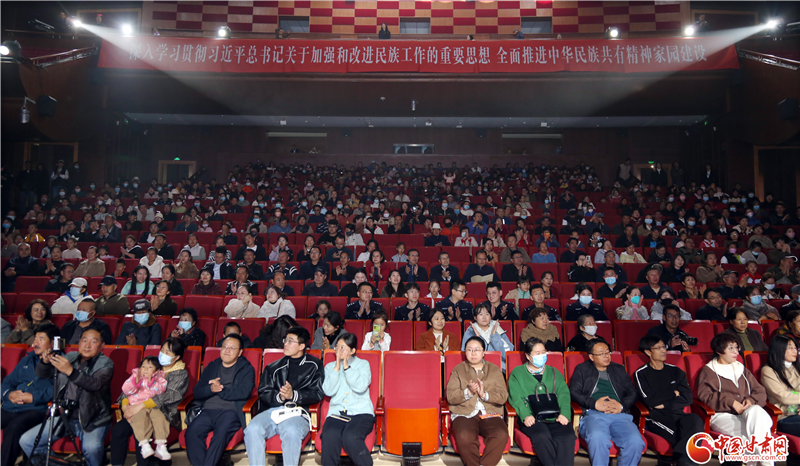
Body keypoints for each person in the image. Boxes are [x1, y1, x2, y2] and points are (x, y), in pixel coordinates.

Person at [20, 328, 114, 466]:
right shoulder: (70, 357)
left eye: (93, 342)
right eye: (84, 340)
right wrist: (45, 362)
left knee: (92, 448)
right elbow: (42, 374)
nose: (87, 345)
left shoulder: (106, 364)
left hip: (94, 419)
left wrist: (70, 371)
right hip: (66, 416)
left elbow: (94, 384)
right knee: (26, 441)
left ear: (102, 346)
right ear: (79, 342)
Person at [244, 326, 323, 466]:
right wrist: (280, 397)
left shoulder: (315, 365)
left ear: (302, 346)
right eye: (285, 340)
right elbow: (263, 391)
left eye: (290, 341)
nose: (285, 344)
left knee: (292, 431)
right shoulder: (273, 367)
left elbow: (317, 393)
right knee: (252, 429)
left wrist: (294, 395)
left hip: (298, 412)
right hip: (274, 410)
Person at [697, 333, 774, 465]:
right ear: (719, 351)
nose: (736, 352)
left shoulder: (741, 369)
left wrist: (751, 400)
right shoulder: (709, 371)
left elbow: (760, 391)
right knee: (751, 438)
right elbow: (705, 397)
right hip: (722, 415)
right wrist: (731, 402)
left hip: (746, 413)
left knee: (756, 411)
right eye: (731, 348)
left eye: (737, 348)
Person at [110, 338, 189, 466]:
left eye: (168, 352)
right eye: (162, 350)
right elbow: (130, 387)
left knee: (141, 430)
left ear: (176, 357)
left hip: (162, 414)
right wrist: (125, 408)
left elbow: (169, 396)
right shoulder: (151, 364)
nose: (163, 354)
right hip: (135, 410)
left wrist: (140, 406)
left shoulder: (180, 374)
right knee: (119, 429)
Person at [570, 339, 645, 466]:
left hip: (619, 414)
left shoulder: (619, 369)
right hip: (593, 414)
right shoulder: (582, 369)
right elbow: (574, 392)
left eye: (607, 352)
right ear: (591, 357)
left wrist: (621, 406)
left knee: (635, 441)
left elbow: (633, 392)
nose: (606, 356)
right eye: (601, 353)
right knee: (597, 437)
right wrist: (594, 404)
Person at [633, 335, 703, 466]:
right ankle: (684, 462)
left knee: (695, 420)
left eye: (664, 347)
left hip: (677, 413)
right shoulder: (641, 373)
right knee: (682, 435)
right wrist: (673, 393)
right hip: (655, 417)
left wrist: (664, 404)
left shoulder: (675, 371)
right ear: (648, 352)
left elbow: (687, 397)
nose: (663, 350)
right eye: (658, 348)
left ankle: (683, 461)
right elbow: (650, 402)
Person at [186, 333, 255, 466]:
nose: (227, 350)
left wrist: (222, 390)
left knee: (220, 435)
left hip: (231, 412)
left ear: (240, 352)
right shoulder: (212, 367)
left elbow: (244, 393)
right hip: (207, 411)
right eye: (225, 346)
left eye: (232, 348)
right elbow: (197, 392)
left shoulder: (246, 369)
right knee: (191, 433)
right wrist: (210, 389)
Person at [508, 337, 575, 466]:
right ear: (528, 356)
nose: (542, 356)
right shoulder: (517, 373)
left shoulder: (554, 372)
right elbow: (516, 398)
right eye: (537, 353)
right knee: (542, 436)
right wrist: (525, 415)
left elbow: (564, 394)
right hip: (532, 418)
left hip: (555, 416)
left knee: (567, 436)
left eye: (543, 352)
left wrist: (565, 413)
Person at [1, 323, 59, 466]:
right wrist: (9, 394)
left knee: (14, 427)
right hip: (12, 406)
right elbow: (8, 381)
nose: (35, 343)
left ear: (52, 343)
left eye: (41, 339)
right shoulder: (27, 359)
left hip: (37, 409)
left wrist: (33, 398)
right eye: (35, 338)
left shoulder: (60, 361)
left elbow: (59, 389)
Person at [447, 336, 509, 466]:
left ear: (484, 352)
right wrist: (468, 393)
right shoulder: (458, 370)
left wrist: (485, 395)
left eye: (477, 350)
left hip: (490, 412)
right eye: (469, 350)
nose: (473, 353)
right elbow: (451, 396)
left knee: (501, 434)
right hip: (464, 413)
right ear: (465, 352)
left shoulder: (494, 370)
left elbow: (503, 396)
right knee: (464, 435)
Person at [320, 332, 376, 466]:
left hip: (361, 413)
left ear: (352, 351)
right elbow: (328, 391)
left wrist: (346, 368)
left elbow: (361, 387)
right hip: (337, 413)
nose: (338, 351)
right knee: (329, 435)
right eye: (337, 347)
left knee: (350, 436)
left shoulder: (363, 364)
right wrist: (337, 368)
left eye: (343, 348)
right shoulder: (330, 367)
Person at [119, 356, 171, 460]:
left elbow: (161, 390)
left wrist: (152, 383)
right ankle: (144, 445)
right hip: (137, 407)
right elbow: (125, 390)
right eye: (143, 366)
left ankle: (161, 446)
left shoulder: (159, 378)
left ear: (156, 370)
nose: (146, 369)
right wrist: (135, 383)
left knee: (160, 418)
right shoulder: (135, 376)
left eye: (150, 367)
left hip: (152, 407)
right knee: (140, 420)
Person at [761, 335, 800, 436]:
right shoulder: (768, 371)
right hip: (784, 416)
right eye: (790, 348)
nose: (795, 351)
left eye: (795, 348)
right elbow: (783, 396)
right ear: (779, 349)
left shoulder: (796, 368)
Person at [462, 304, 514, 371]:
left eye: (487, 314)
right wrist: (478, 339)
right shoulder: (470, 331)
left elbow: (508, 353)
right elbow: (465, 353)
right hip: (477, 368)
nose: (484, 317)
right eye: (481, 314)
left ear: (490, 316)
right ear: (475, 317)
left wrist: (494, 336)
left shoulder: (497, 328)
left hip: (499, 367)